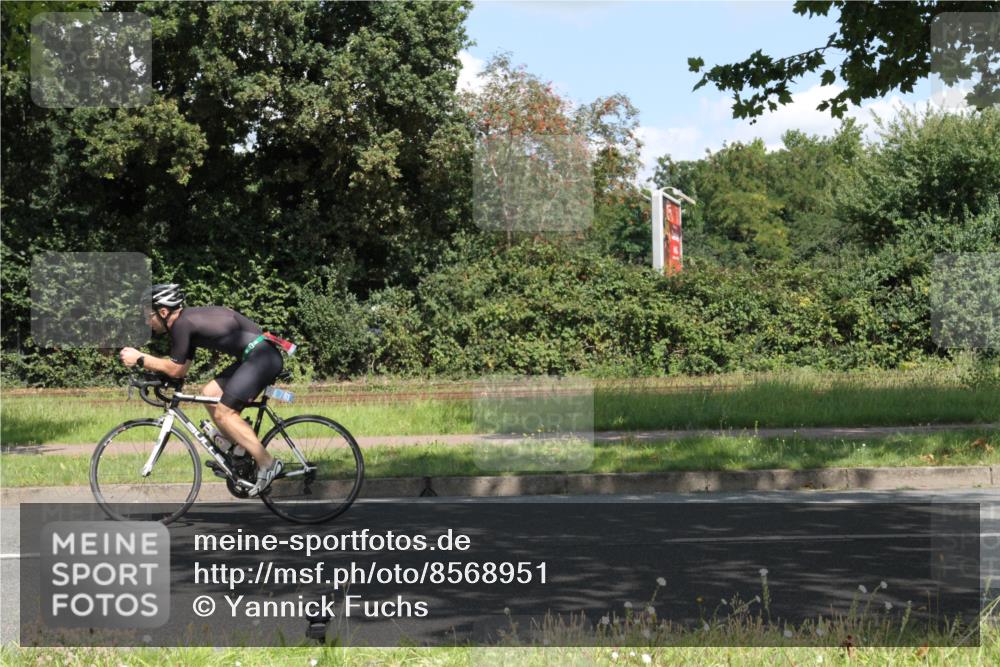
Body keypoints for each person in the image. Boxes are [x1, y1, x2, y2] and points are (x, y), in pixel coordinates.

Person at [119, 283, 285, 496]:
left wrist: (140, 358)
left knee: (225, 413)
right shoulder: (186, 323)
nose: (146, 321)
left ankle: (268, 463)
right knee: (210, 394)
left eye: (148, 315)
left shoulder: (182, 324)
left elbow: (175, 368)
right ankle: (239, 449)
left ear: (163, 312)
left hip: (261, 358)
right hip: (257, 355)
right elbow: (180, 370)